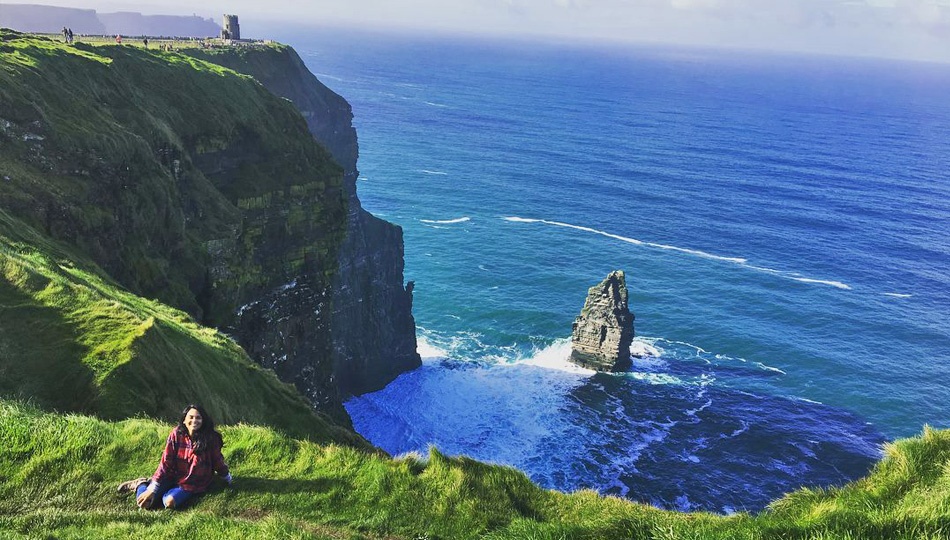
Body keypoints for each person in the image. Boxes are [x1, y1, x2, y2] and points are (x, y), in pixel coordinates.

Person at [133, 404, 232, 509]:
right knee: (144, 503)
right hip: (172, 476)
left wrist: (227, 477)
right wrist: (152, 489)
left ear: (203, 421)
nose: (194, 420)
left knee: (169, 502)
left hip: (192, 482)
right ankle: (141, 484)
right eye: (191, 417)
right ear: (184, 420)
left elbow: (218, 461)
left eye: (198, 418)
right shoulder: (176, 434)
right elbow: (166, 462)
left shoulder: (211, 438)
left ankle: (164, 493)